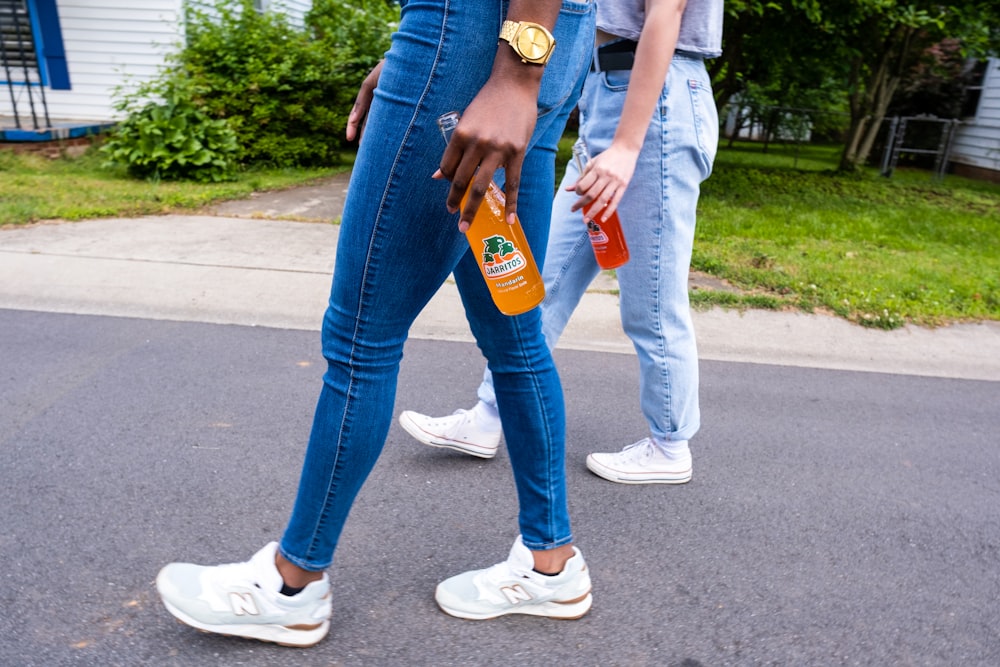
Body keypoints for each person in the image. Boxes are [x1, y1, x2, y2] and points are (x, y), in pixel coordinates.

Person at [154, 0, 597, 647]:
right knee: (515, 331)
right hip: (545, 32)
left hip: (487, 33)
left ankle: (291, 584)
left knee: (363, 336)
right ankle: (550, 561)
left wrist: (507, 72)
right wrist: (451, 59)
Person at [399, 0, 723, 485]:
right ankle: (490, 416)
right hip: (608, 96)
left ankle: (670, 443)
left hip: (654, 106)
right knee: (540, 282)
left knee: (651, 297)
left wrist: (628, 145)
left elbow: (666, 12)